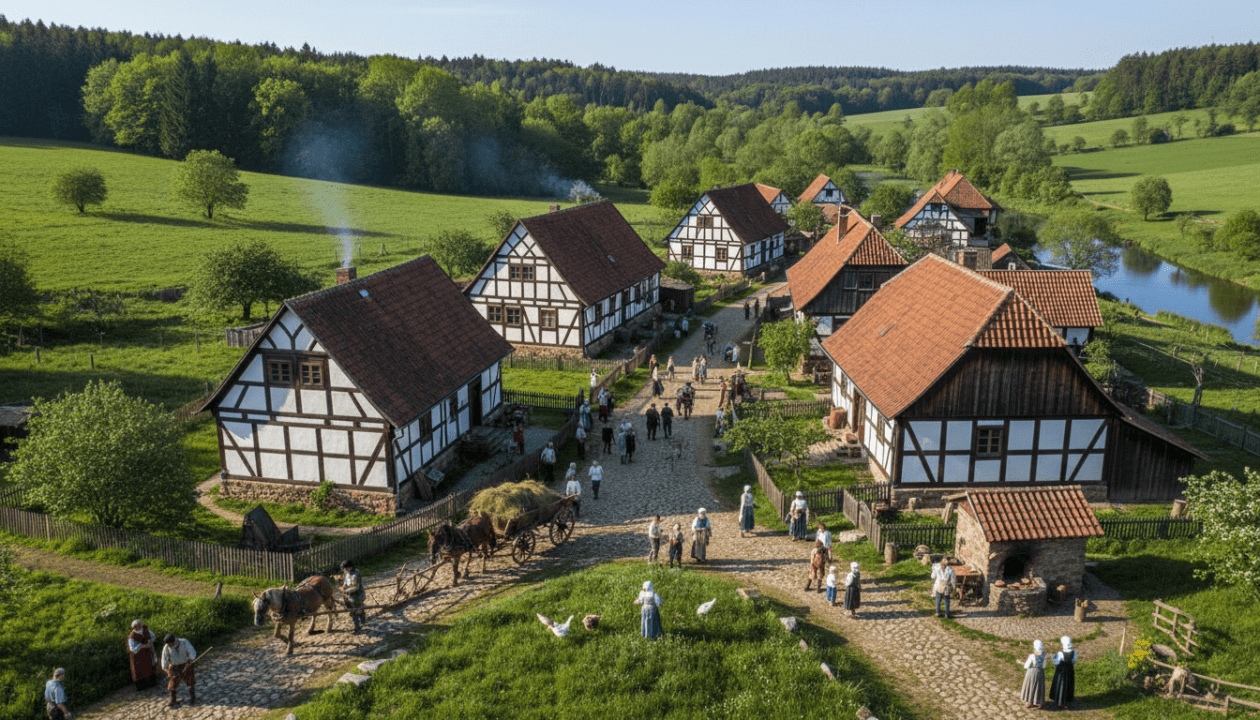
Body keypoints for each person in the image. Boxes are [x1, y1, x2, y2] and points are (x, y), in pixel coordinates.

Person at [161, 634, 197, 708]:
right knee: (173, 683)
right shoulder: (166, 647)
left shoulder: (184, 642)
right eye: (169, 644)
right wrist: (167, 671)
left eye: (172, 643)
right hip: (174, 666)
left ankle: (193, 696)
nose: (171, 645)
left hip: (186, 664)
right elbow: (164, 659)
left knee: (190, 680)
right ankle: (173, 699)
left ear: (175, 639)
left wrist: (191, 660)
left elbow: (191, 651)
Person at [127, 619, 157, 691]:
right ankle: (141, 686)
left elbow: (153, 636)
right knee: (138, 670)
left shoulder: (145, 630)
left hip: (147, 653)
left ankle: (152, 683)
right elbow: (132, 648)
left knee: (149, 666)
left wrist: (149, 642)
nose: (135, 628)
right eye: (134, 627)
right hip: (137, 656)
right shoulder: (132, 636)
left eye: (137, 626)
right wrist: (141, 646)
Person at [1049, 636, 1076, 709]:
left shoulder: (1060, 653)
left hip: (1061, 671)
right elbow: (1074, 661)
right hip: (1070, 670)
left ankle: (1060, 700)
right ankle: (1067, 699)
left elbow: (1056, 662)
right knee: (1069, 684)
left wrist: (1052, 659)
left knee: (1061, 684)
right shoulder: (1074, 652)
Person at [340, 559, 366, 634]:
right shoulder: (347, 573)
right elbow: (346, 581)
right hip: (349, 595)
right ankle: (360, 617)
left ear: (350, 567)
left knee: (355, 609)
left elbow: (356, 587)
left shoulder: (356, 574)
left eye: (346, 568)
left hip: (358, 594)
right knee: (351, 609)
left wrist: (347, 591)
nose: (345, 570)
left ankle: (357, 625)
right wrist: (343, 586)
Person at [1020, 640, 1047, 709]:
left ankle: (1030, 702)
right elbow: (1044, 666)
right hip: (1040, 673)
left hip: (1031, 673)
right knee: (1039, 687)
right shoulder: (1045, 656)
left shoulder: (1032, 656)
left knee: (1031, 686)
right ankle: (1039, 703)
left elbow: (1026, 666)